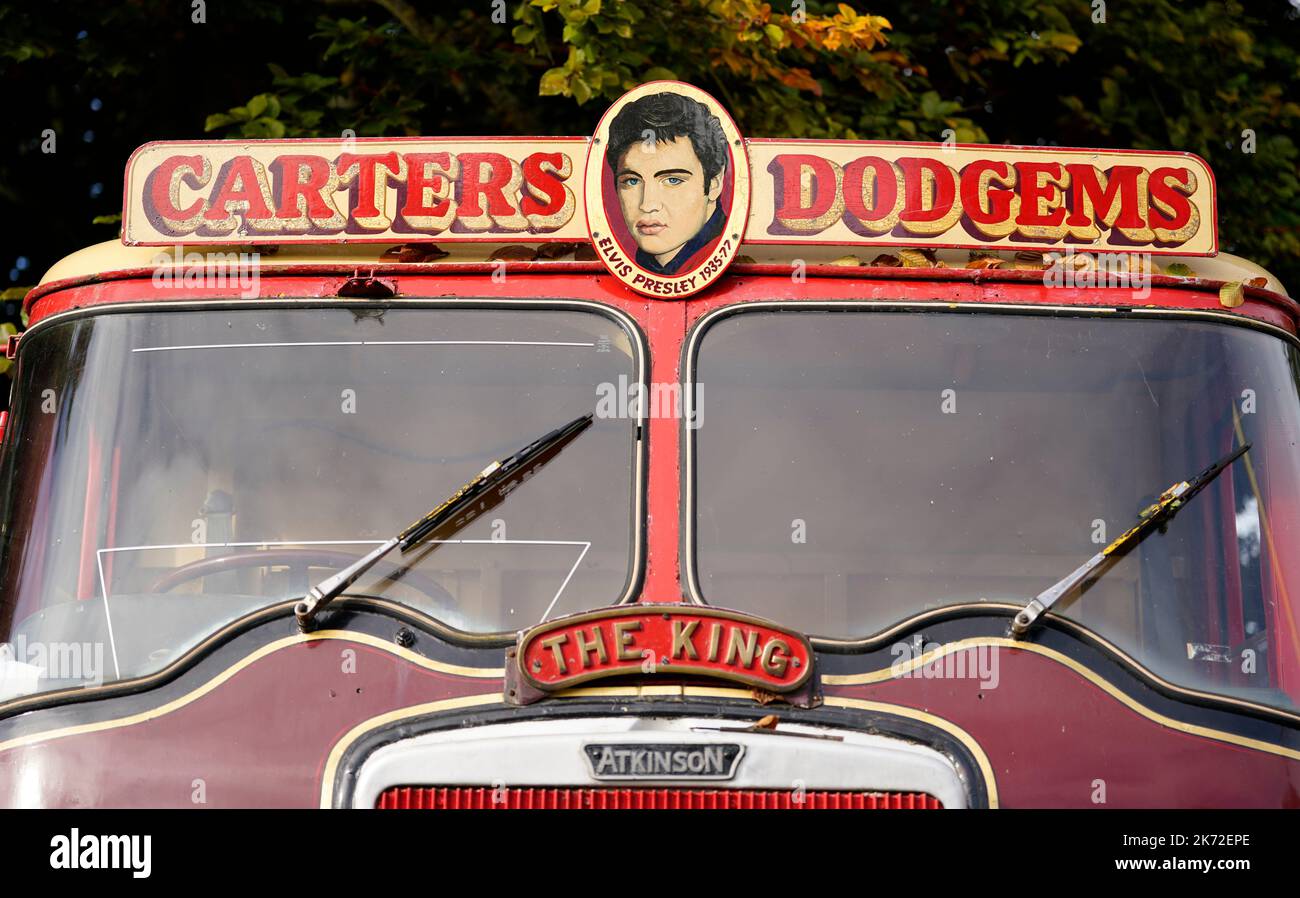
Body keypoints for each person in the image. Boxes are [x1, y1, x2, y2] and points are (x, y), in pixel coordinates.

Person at [605, 91, 728, 276]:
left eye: (673, 180)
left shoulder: (743, 263)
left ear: (714, 183)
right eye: (632, 181)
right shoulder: (639, 266)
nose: (647, 205)